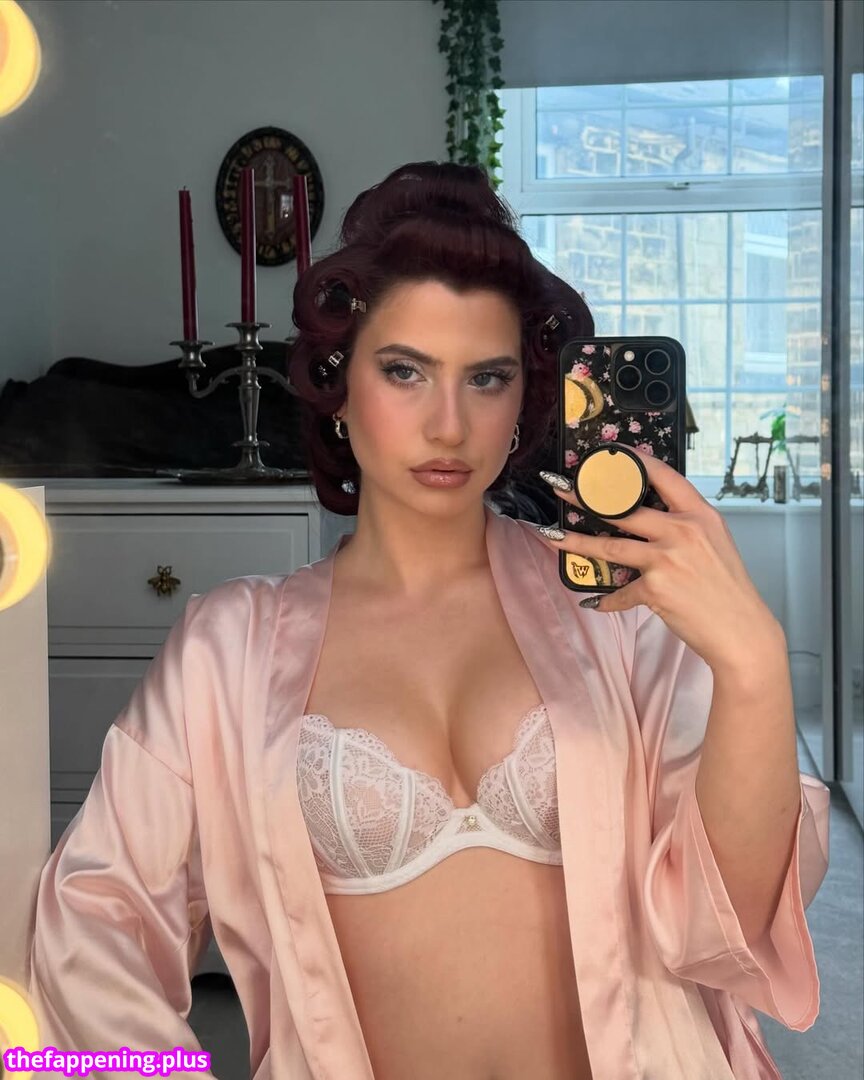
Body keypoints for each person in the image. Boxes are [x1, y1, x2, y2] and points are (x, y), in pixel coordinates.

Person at [26, 161, 830, 1080]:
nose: (448, 425)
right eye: (405, 371)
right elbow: (92, 926)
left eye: (486, 378)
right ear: (340, 384)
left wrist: (755, 664)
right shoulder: (229, 649)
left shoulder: (616, 613)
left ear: (522, 400)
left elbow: (724, 926)